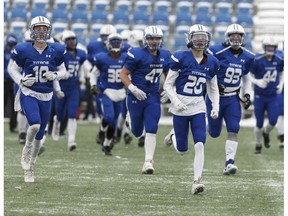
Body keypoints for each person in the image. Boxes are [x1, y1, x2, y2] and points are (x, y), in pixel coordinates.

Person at [8, 16, 68, 182]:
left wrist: (55, 75)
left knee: (40, 136)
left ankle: (30, 168)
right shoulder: (23, 49)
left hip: (46, 95)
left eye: (44, 28)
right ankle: (26, 150)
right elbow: (12, 69)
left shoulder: (56, 49)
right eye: (38, 28)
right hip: (29, 92)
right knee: (34, 124)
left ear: (49, 30)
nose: (41, 32)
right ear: (31, 30)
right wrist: (21, 79)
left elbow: (64, 71)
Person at [163, 24, 220, 194]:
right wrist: (175, 101)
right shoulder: (180, 57)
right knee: (182, 150)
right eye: (196, 37)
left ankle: (197, 181)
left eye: (203, 37)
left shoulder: (212, 61)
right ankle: (173, 135)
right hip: (180, 107)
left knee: (200, 143)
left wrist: (215, 106)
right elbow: (168, 84)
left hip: (198, 107)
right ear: (189, 39)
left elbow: (213, 87)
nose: (200, 40)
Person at [120, 25, 171, 174]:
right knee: (136, 132)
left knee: (152, 128)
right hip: (136, 96)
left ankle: (148, 161)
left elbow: (170, 76)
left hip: (153, 96)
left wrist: (168, 90)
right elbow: (123, 74)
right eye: (151, 38)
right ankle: (130, 118)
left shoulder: (165, 54)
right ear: (145, 39)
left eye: (157, 38)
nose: (154, 41)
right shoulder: (136, 53)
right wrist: (133, 89)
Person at [206, 24, 254, 175]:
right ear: (227, 38)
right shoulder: (216, 51)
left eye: (238, 36)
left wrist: (247, 94)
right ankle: (206, 122)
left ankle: (229, 163)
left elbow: (246, 78)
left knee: (234, 129)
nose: (235, 38)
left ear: (242, 38)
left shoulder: (248, 56)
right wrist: (213, 85)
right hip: (215, 98)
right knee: (214, 133)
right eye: (232, 36)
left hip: (233, 98)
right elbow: (207, 70)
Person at [90, 33, 127, 155]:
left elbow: (130, 73)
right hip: (106, 91)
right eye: (113, 42)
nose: (116, 44)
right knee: (109, 117)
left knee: (114, 122)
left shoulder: (126, 58)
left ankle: (106, 145)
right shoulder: (102, 58)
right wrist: (93, 85)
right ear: (108, 44)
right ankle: (101, 131)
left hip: (121, 93)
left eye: (118, 42)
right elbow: (94, 73)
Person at [51, 30, 87, 151]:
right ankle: (56, 122)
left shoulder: (81, 54)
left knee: (72, 114)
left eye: (73, 39)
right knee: (60, 114)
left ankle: (71, 140)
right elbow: (53, 67)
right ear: (64, 42)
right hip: (61, 87)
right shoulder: (61, 53)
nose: (72, 42)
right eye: (69, 40)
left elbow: (83, 65)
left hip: (73, 88)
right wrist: (60, 74)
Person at [250, 36, 284, 153]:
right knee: (259, 122)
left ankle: (266, 132)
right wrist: (256, 82)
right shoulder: (257, 59)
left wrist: (281, 83)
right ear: (264, 47)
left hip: (272, 96)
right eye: (268, 46)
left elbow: (283, 71)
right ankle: (258, 145)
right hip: (259, 95)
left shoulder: (279, 59)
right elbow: (249, 76)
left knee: (273, 121)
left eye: (272, 47)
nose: (270, 49)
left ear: (275, 47)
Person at [4, 34, 18, 133]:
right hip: (4, 81)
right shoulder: (3, 52)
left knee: (14, 104)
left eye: (13, 45)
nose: (11, 47)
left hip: (14, 81)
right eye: (10, 45)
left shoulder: (17, 54)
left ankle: (13, 126)